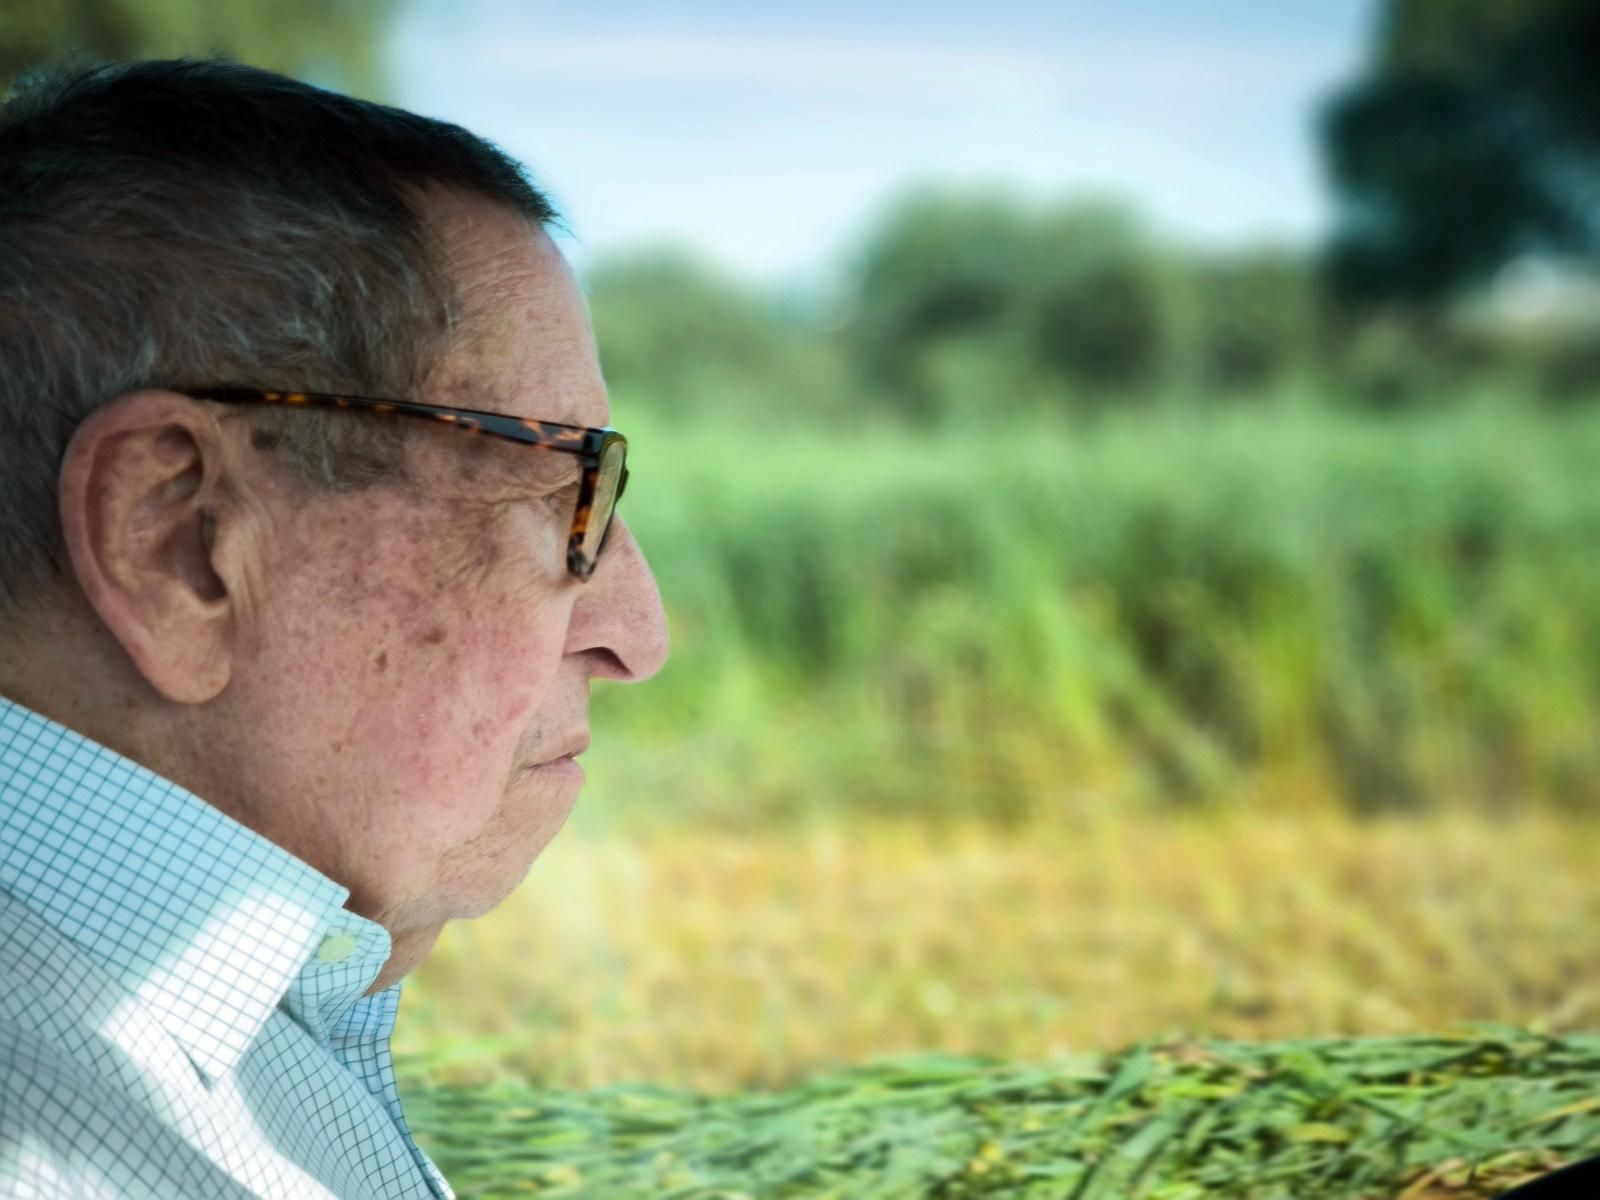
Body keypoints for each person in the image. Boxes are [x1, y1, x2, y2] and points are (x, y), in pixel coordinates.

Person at [0, 58, 668, 1199]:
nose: (636, 635)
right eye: (559, 488)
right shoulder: (80, 1149)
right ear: (181, 541)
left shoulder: (224, 1022)